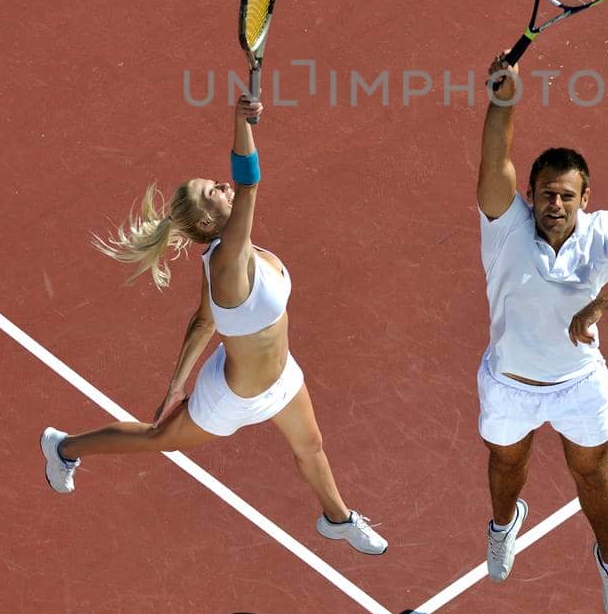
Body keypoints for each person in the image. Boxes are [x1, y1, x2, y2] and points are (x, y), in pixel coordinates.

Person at [39, 95, 386, 556]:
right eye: (213, 191)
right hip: (231, 398)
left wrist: (174, 386)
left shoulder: (230, 258)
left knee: (312, 447)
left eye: (216, 184)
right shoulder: (225, 260)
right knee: (158, 438)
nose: (223, 186)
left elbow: (204, 319)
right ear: (207, 219)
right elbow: (250, 182)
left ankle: (337, 519)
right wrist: (240, 123)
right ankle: (63, 448)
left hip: (282, 378)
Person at [475, 58, 608, 614]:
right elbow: (495, 158)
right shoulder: (503, 223)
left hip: (578, 386)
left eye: (567, 195)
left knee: (590, 472)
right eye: (547, 193)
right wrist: (505, 99)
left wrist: (602, 301)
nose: (556, 205)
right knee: (505, 466)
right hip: (510, 384)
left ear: (585, 196)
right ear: (532, 193)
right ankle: (504, 525)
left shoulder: (602, 232)